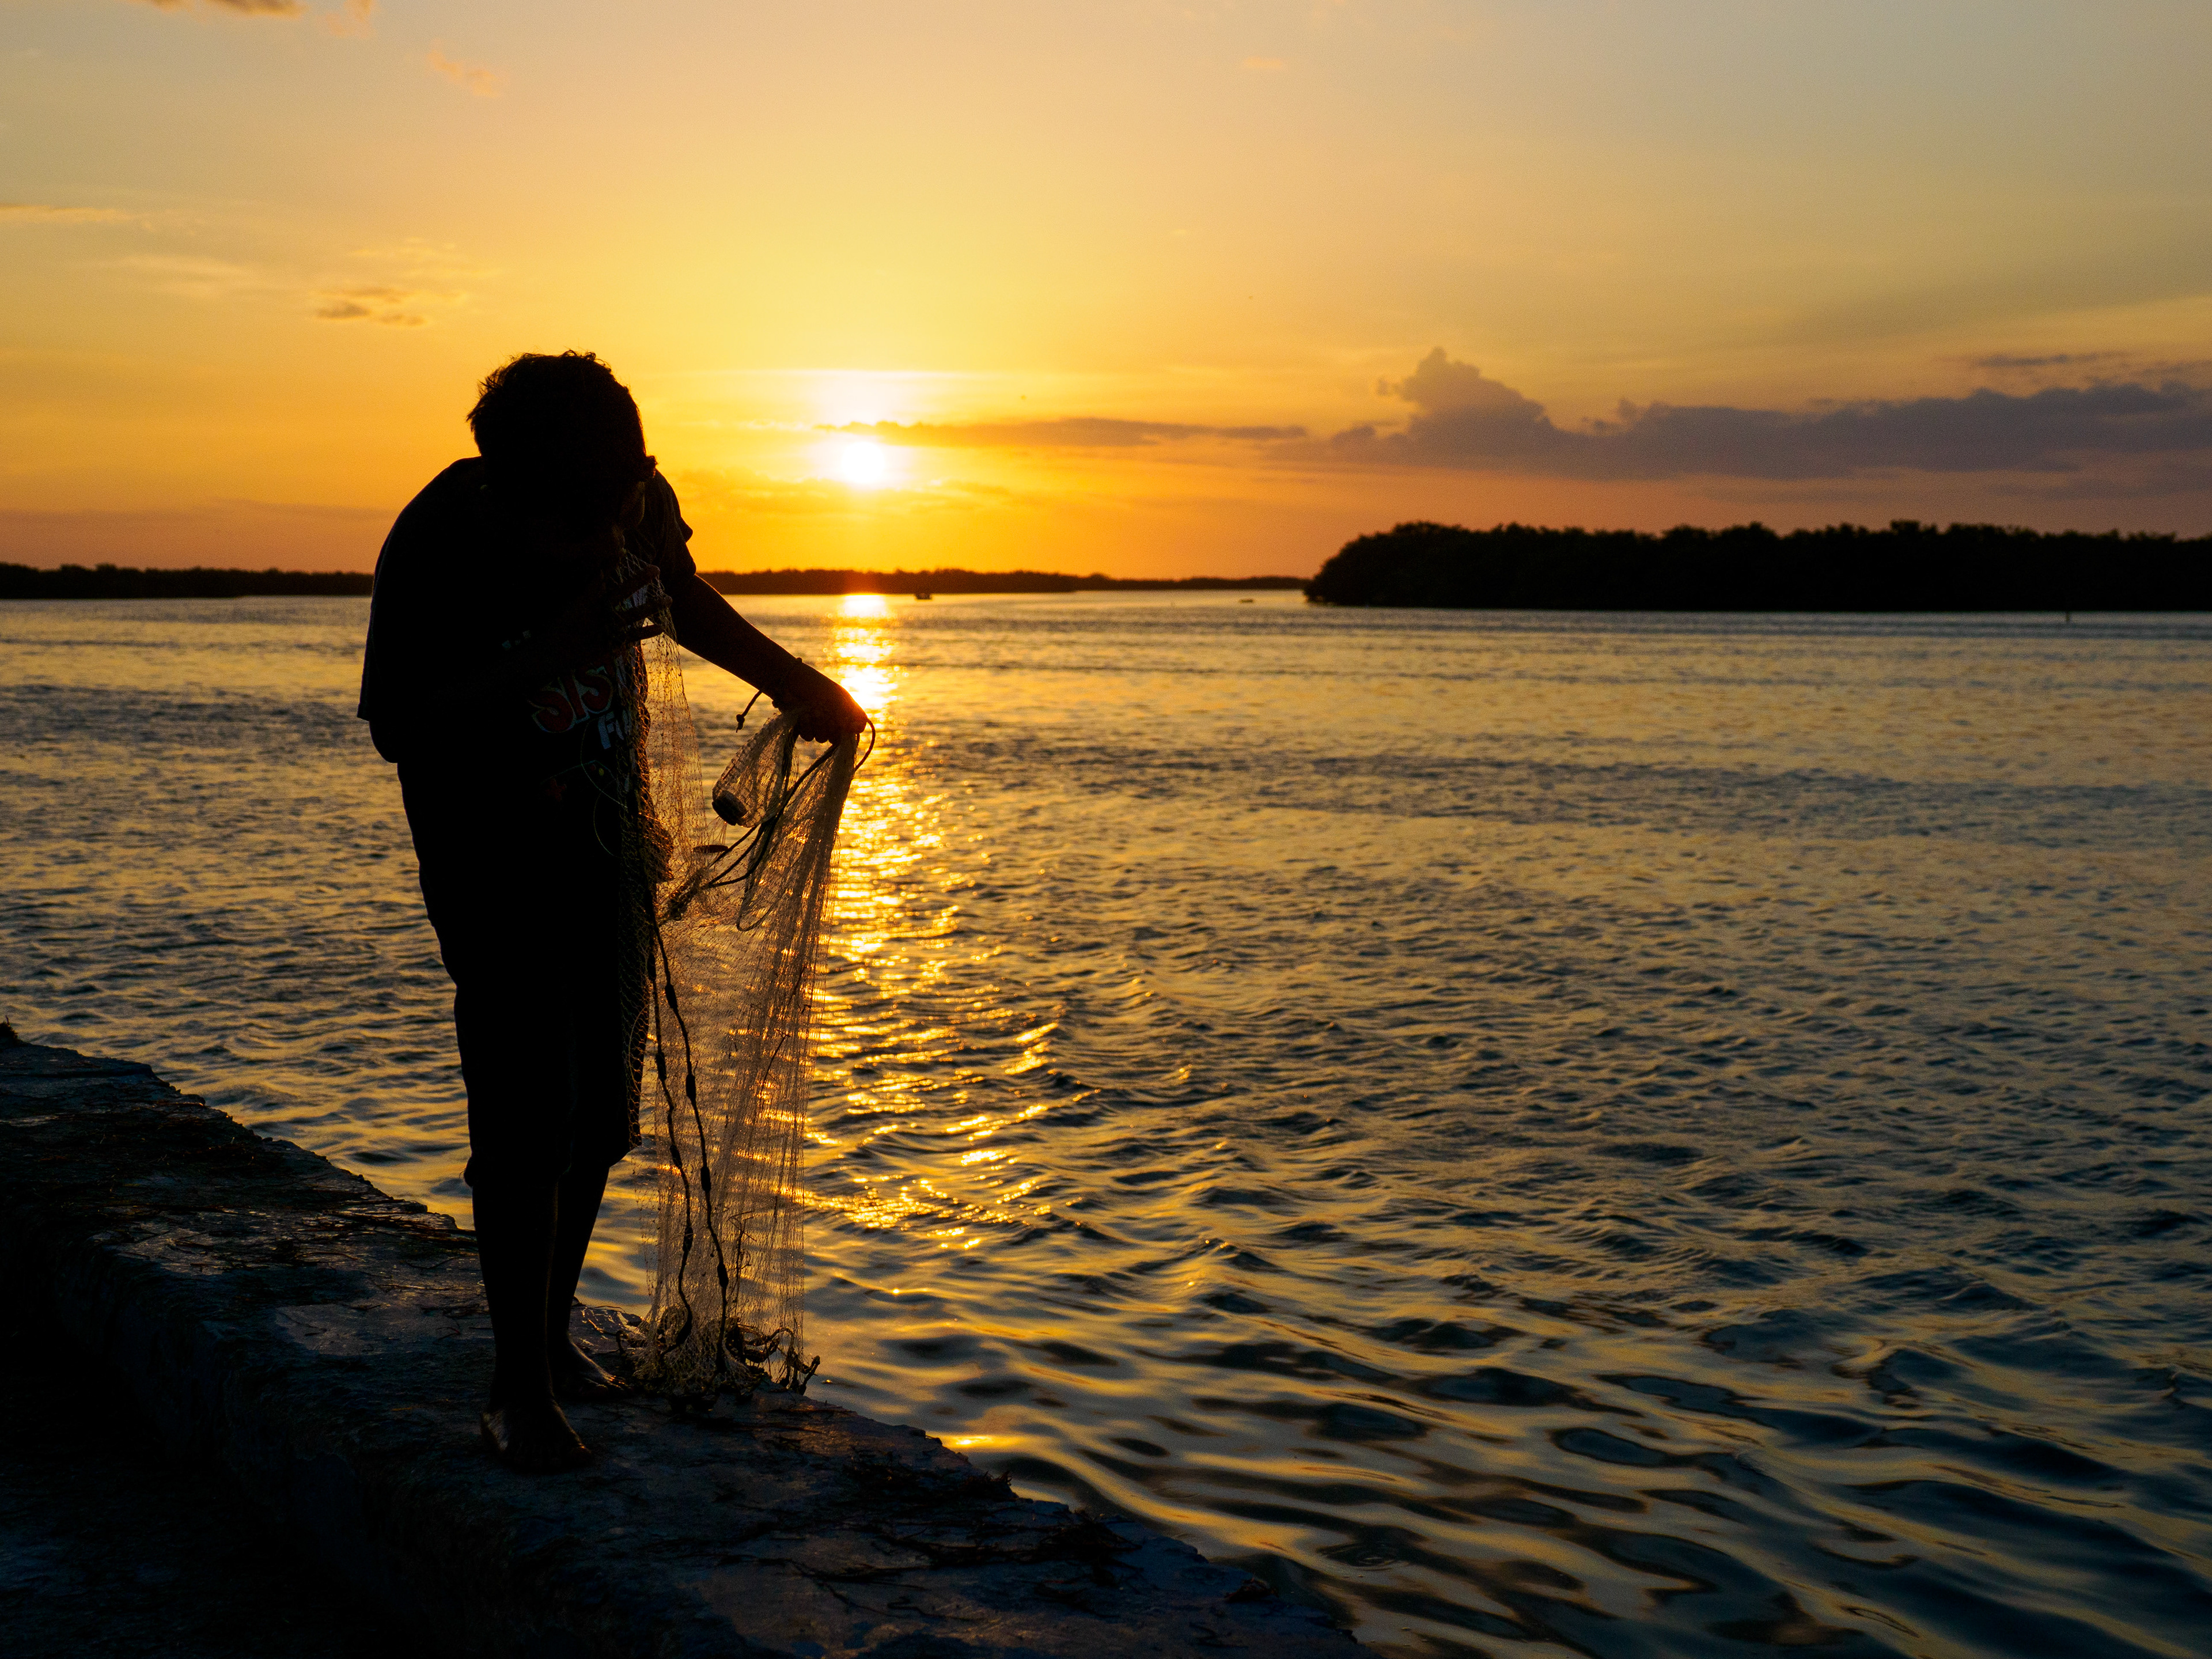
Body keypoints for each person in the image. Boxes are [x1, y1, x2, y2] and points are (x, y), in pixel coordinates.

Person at [358, 351, 866, 1472]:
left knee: (600, 1111)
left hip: (603, 834)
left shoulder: (631, 499)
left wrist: (793, 682)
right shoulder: (438, 544)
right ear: (506, 493)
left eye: (619, 516)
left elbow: (677, 598)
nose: (605, 546)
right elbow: (401, 724)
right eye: (575, 531)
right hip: (489, 849)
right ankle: (516, 1389)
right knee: (525, 1104)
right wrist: (557, 650)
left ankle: (551, 1336)